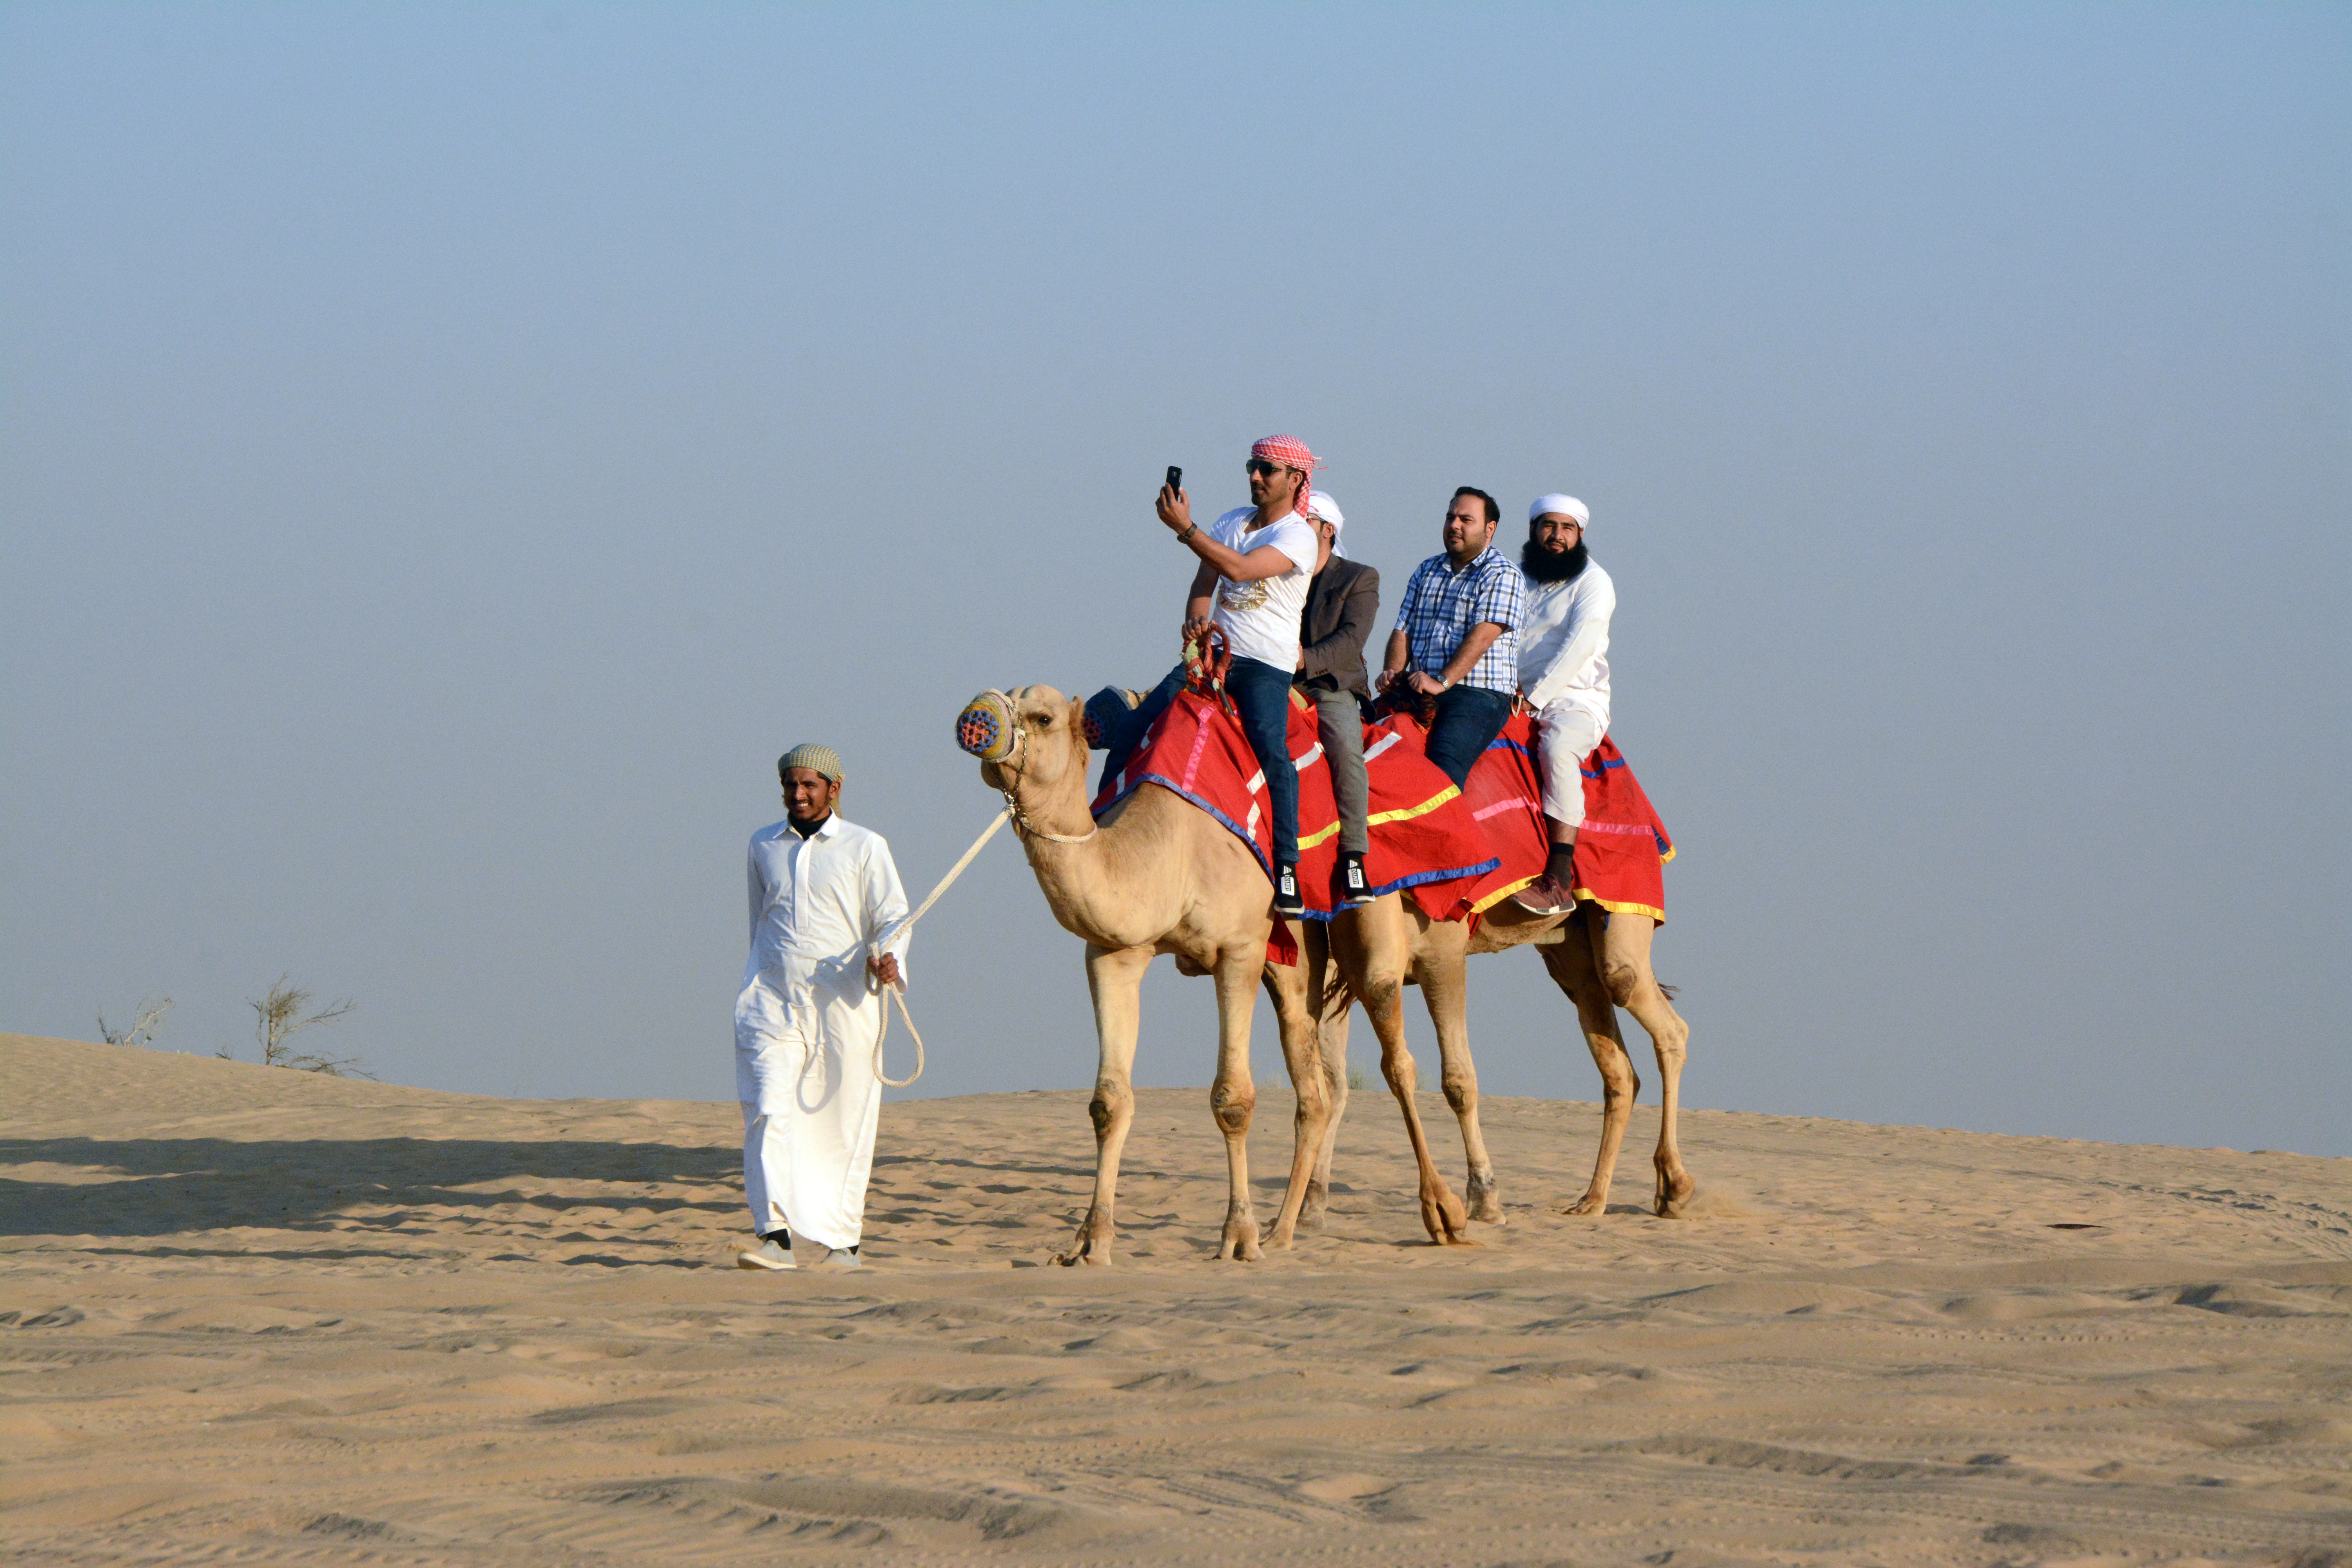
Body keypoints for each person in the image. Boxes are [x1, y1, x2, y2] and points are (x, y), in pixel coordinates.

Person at [734, 744, 911, 1272]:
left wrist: (890, 957)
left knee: (844, 1117)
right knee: (768, 1106)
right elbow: (758, 920)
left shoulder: (865, 846)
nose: (798, 794)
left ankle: (844, 1244)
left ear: (834, 789)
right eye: (791, 784)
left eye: (809, 784)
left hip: (845, 1003)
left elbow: (893, 915)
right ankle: (774, 1237)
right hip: (773, 1001)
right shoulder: (762, 845)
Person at [1151, 436, 1325, 916]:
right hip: (1212, 658)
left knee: (1271, 746)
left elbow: (1242, 570)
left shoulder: (1298, 535)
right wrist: (1196, 620)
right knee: (1147, 721)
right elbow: (1206, 583)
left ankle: (1287, 866)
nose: (1254, 476)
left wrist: (1186, 531)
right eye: (1252, 466)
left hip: (1262, 665)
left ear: (1295, 480)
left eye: (1266, 470)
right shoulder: (1231, 521)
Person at [1377, 486, 1525, 788]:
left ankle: (1439, 831)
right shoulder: (1427, 570)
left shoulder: (1502, 574)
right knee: (1366, 740)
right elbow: (1403, 628)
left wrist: (1442, 682)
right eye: (1450, 518)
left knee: (1442, 770)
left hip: (1477, 693)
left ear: (1489, 529)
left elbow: (1482, 637)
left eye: (1466, 520)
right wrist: (1393, 674)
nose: (1455, 526)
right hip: (1422, 687)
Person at [1510, 495, 1616, 914]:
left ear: (1581, 535)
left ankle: (1559, 876)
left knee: (1556, 750)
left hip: (1574, 699)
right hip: (1507, 695)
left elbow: (1579, 645)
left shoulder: (1594, 582)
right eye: (1548, 526)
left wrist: (1533, 698)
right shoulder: (1516, 577)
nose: (1556, 536)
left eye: (1566, 528)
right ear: (1534, 530)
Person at [1295, 490, 1379, 906]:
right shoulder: (1278, 570)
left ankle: (1354, 854)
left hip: (1330, 684)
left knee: (1346, 750)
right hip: (1274, 679)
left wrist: (1304, 660)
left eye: (1306, 520)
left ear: (1328, 530)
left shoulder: (1359, 577)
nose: (1297, 528)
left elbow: (1350, 641)